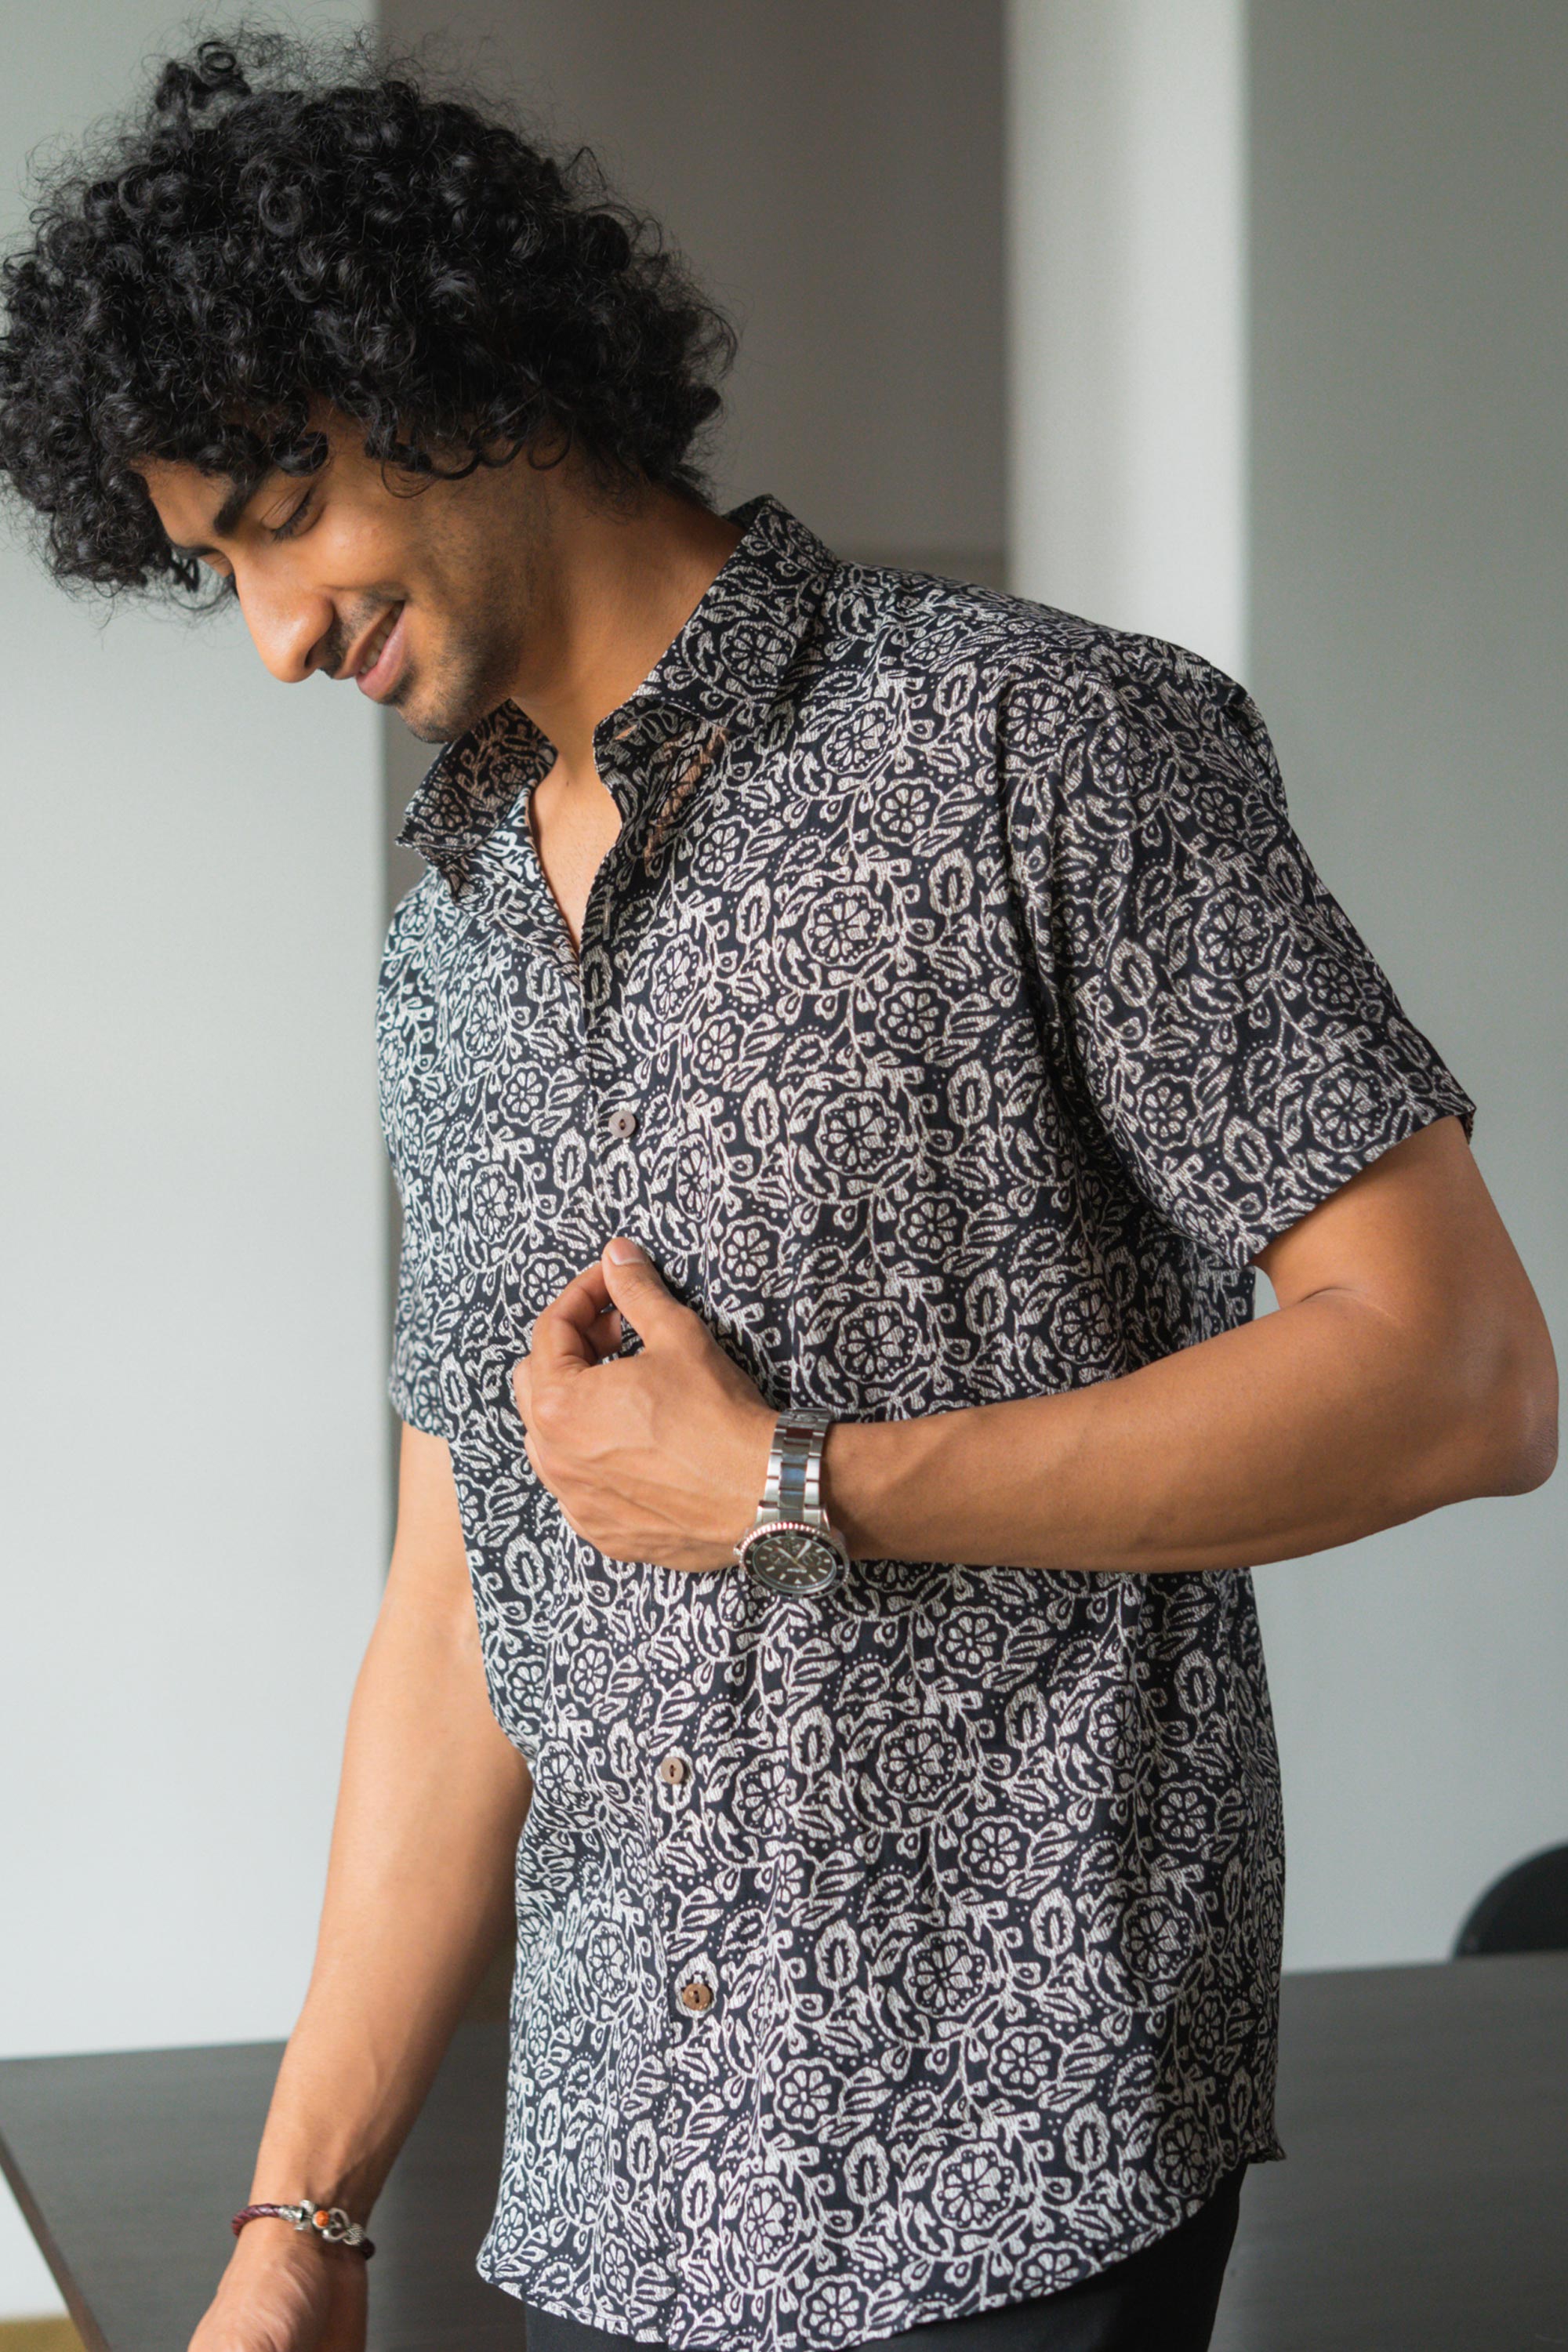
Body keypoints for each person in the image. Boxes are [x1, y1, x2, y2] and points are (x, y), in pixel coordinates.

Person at [0, 30, 1555, 2352]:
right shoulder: (447, 939)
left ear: (451, 367)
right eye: (214, 566)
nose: (274, 633)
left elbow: (1458, 1376)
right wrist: (297, 2226)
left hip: (1017, 2163)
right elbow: (461, 1601)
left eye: (281, 517)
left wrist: (797, 1486)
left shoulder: (1047, 745)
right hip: (616, 2191)